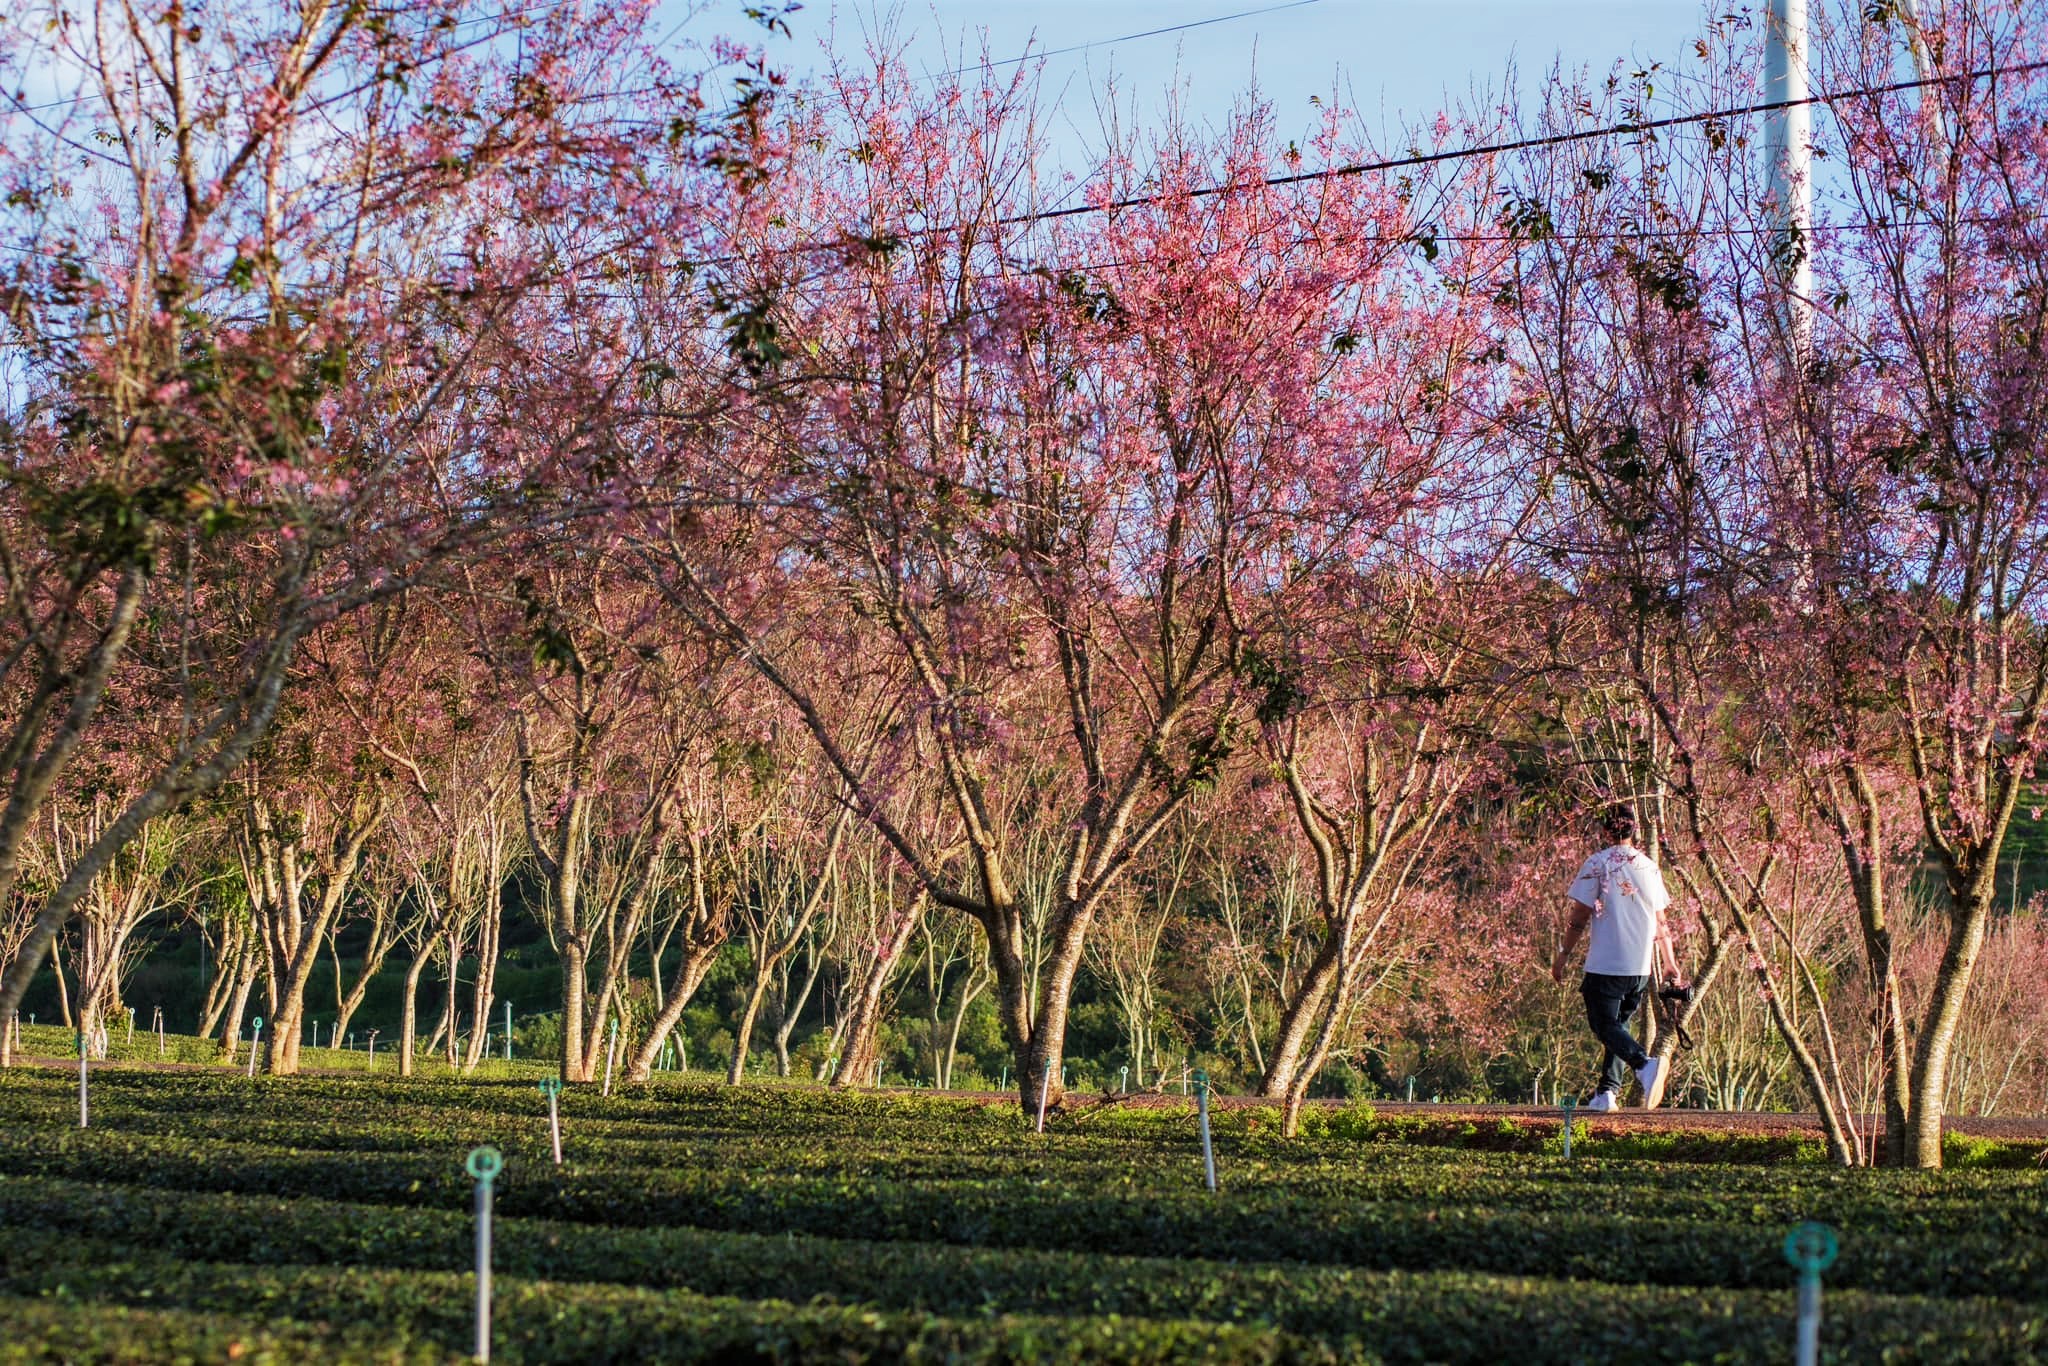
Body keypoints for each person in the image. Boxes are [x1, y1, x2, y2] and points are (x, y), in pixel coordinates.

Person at [1551, 805, 1686, 1111]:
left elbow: (1579, 916)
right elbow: (1660, 920)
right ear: (1633, 830)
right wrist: (1669, 962)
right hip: (1640, 968)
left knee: (1602, 1024)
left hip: (1607, 963)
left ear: (1605, 831)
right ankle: (1606, 1093)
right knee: (1618, 1027)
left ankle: (1643, 1065)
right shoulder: (1649, 866)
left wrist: (1563, 954)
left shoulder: (1599, 864)